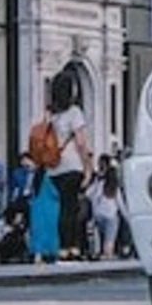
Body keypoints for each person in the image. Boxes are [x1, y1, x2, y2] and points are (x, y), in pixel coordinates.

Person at [47, 69, 93, 261]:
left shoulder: (51, 114)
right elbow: (81, 143)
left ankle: (62, 248)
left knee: (63, 208)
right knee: (71, 207)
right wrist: (88, 167)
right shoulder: (74, 112)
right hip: (71, 164)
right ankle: (70, 248)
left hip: (54, 167)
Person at [87, 156, 121, 260]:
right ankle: (108, 256)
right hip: (111, 216)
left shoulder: (99, 184)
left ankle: (101, 253)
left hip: (98, 216)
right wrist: (129, 218)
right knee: (109, 240)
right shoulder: (115, 187)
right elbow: (121, 204)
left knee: (100, 237)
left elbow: (88, 194)